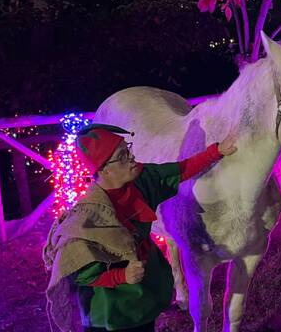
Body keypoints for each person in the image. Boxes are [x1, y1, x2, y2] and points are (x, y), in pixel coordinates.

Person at [43, 124, 237, 332]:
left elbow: (180, 170)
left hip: (143, 291)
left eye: (128, 149)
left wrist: (216, 152)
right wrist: (121, 276)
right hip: (112, 309)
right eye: (123, 155)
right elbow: (80, 272)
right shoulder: (88, 217)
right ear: (105, 169)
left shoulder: (142, 180)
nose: (132, 157)